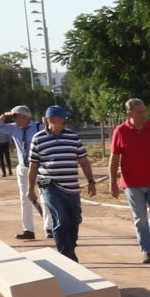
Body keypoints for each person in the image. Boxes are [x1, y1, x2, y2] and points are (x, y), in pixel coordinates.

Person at [109, 97, 150, 263]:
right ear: (130, 114)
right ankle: (146, 250)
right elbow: (114, 158)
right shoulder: (120, 131)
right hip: (132, 183)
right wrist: (112, 182)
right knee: (140, 217)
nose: (144, 114)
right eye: (139, 112)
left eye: (145, 110)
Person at [28, 105, 93, 260]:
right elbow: (33, 165)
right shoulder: (38, 138)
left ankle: (70, 248)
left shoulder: (73, 136)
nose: (65, 121)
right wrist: (30, 189)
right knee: (61, 219)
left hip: (71, 187)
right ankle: (66, 255)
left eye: (65, 118)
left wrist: (91, 181)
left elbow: (83, 160)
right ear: (50, 120)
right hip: (50, 186)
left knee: (74, 220)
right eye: (62, 118)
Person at [0, 107, 39, 240]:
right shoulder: (13, 128)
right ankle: (28, 230)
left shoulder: (39, 127)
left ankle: (49, 227)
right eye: (13, 117)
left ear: (25, 116)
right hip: (23, 167)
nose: (13, 119)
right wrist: (4, 114)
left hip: (39, 166)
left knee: (44, 197)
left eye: (16, 116)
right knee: (25, 198)